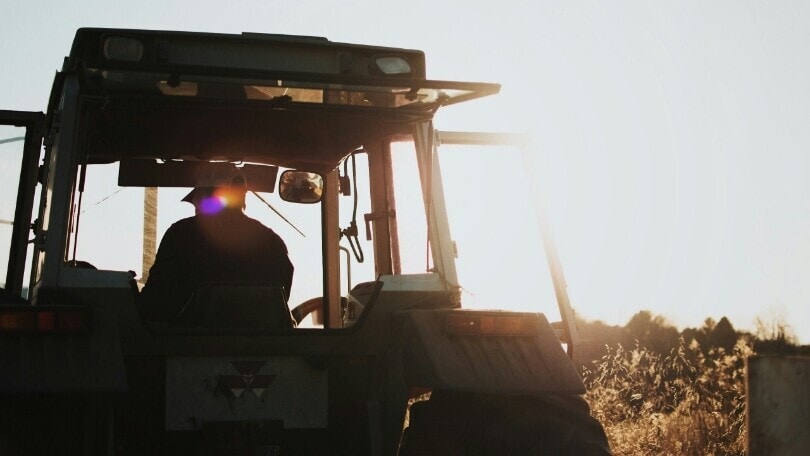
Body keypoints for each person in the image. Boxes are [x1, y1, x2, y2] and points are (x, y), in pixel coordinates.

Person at [138, 174, 294, 324]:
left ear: (206, 197)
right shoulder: (272, 241)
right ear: (242, 197)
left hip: (190, 346)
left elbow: (155, 303)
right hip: (266, 346)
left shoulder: (181, 234)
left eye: (196, 199)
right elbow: (280, 300)